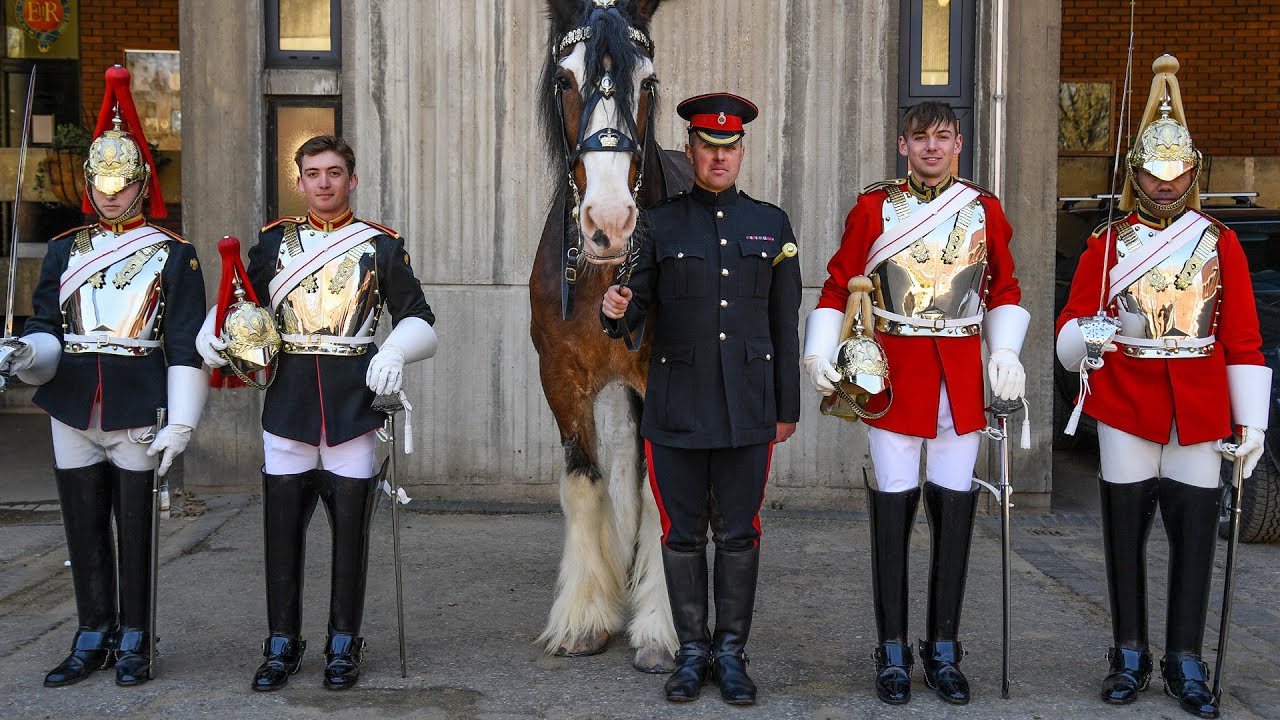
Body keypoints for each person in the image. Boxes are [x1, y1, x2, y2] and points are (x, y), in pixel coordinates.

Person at [1055, 55, 1268, 720]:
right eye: (1153, 171)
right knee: (1123, 538)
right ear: (1135, 172)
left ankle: (1185, 659)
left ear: (1193, 172)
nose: (1166, 183)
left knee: (1195, 540)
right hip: (1125, 400)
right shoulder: (1107, 241)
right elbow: (1072, 328)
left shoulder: (1220, 240)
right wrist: (1086, 341)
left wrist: (1252, 421)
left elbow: (1241, 338)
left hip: (1199, 407)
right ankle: (1127, 654)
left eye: (1176, 172)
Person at [801, 100, 1029, 705]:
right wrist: (820, 350)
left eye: (944, 137)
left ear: (959, 144)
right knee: (892, 512)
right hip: (893, 377)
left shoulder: (984, 210)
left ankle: (944, 649)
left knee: (954, 513)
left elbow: (1003, 286)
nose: (932, 147)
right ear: (903, 146)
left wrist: (1004, 350)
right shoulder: (874, 207)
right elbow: (836, 280)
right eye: (920, 137)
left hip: (959, 375)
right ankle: (893, 649)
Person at [197, 135, 437, 691]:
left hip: (353, 403)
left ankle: (343, 640)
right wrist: (211, 333)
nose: (323, 182)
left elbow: (420, 316)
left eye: (334, 172)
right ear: (299, 181)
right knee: (281, 534)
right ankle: (282, 642)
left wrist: (396, 349)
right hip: (289, 401)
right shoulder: (274, 242)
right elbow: (240, 300)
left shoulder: (380, 246)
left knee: (350, 536)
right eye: (313, 173)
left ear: (352, 180)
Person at [0, 66, 207, 687]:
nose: (111, 194)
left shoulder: (174, 253)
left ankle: (137, 635)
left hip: (136, 402)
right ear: (89, 185)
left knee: (136, 530)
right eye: (101, 183)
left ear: (141, 183)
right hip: (71, 404)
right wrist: (22, 354)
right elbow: (47, 329)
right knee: (82, 526)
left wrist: (184, 420)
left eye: (122, 183)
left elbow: (182, 345)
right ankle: (92, 630)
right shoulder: (64, 248)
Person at [600, 93, 801, 706]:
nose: (719, 157)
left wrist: (785, 409)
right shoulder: (658, 224)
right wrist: (618, 310)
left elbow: (782, 323)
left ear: (741, 153)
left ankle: (732, 655)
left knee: (738, 534)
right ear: (690, 153)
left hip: (748, 408)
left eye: (729, 147)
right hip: (676, 406)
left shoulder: (772, 224)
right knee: (681, 534)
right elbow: (633, 305)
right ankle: (692, 655)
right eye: (708, 147)